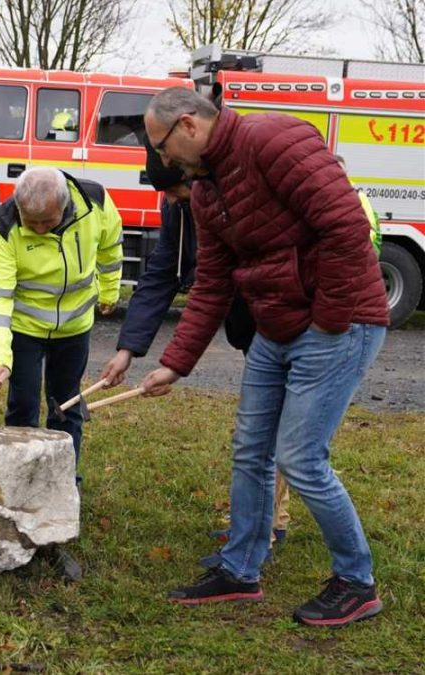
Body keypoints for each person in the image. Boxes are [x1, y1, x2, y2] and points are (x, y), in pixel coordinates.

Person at [141, 87, 389, 627]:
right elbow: (211, 284)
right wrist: (175, 363)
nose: (163, 161)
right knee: (250, 449)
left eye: (161, 147)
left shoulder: (273, 137)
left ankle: (356, 581)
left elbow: (346, 229)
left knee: (300, 458)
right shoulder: (207, 192)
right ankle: (240, 570)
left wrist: (327, 319)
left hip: (337, 324)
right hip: (277, 327)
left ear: (186, 125)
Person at [100, 144, 289, 562]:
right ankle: (265, 522)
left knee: (273, 433)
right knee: (263, 430)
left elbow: (221, 285)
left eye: (172, 190)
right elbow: (162, 274)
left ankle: (265, 530)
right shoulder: (178, 208)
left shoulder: (236, 200)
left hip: (277, 321)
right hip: (249, 326)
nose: (167, 200)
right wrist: (129, 349)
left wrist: (176, 363)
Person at [0, 167, 122, 470]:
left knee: (66, 406)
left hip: (75, 327)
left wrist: (110, 292)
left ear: (65, 204)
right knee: (22, 406)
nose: (41, 229)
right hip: (25, 329)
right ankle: (19, 476)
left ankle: (63, 478)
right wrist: (0, 356)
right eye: (32, 223)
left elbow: (110, 248)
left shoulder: (93, 200)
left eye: (48, 221)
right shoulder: (4, 224)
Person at [336, 155, 382, 258]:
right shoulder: (324, 196)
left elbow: (371, 229)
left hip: (355, 253)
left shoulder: (358, 196)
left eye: (342, 171)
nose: (339, 175)